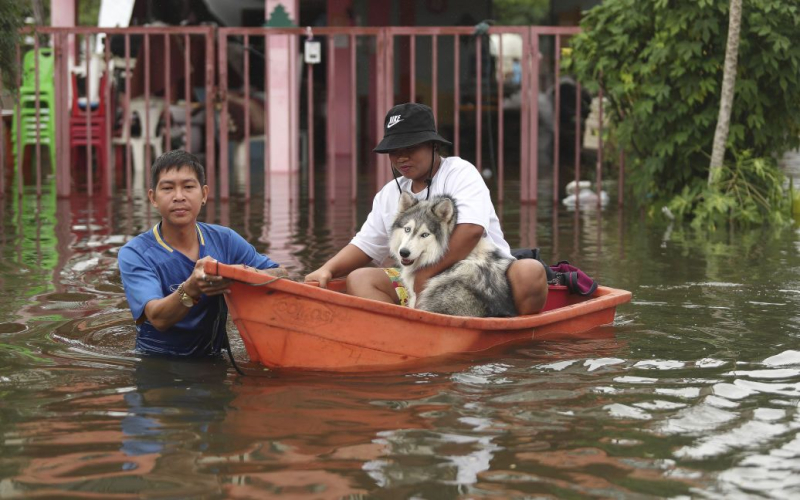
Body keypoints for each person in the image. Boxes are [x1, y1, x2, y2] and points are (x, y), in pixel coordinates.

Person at [305, 102, 547, 315]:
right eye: (394, 151)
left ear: (433, 145)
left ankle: (508, 328)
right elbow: (365, 245)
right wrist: (327, 270)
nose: (401, 158)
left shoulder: (460, 173)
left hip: (482, 276)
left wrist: (427, 274)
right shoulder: (390, 194)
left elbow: (472, 229)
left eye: (410, 148)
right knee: (360, 278)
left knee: (530, 272)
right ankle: (403, 334)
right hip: (418, 283)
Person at [118, 150, 286, 356]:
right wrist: (192, 287)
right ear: (153, 198)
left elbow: (282, 274)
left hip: (213, 357)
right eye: (168, 188)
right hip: (157, 363)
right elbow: (158, 318)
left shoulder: (225, 240)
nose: (179, 197)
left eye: (188, 187)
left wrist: (241, 274)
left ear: (204, 194)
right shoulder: (135, 253)